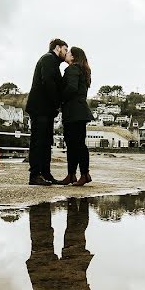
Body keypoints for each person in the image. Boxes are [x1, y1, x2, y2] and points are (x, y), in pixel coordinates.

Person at [24, 38, 67, 186]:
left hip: (45, 109)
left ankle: (46, 174)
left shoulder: (52, 62)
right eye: (65, 50)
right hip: (40, 108)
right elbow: (48, 82)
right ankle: (35, 175)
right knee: (39, 142)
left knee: (46, 142)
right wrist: (57, 104)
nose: (66, 53)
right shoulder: (48, 59)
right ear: (57, 48)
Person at [59, 46, 94, 186]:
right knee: (76, 144)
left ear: (73, 57)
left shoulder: (72, 69)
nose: (66, 54)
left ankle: (83, 174)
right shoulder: (83, 70)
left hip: (73, 111)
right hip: (79, 111)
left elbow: (72, 88)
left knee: (76, 144)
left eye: (68, 53)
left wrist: (61, 99)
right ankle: (73, 174)